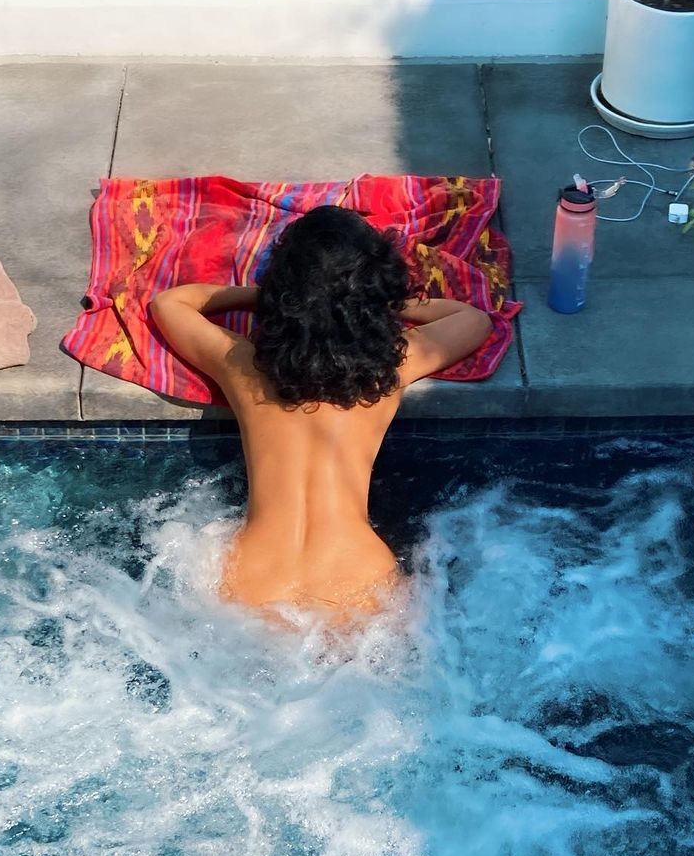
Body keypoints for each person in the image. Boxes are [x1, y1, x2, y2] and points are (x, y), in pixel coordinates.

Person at [149, 206, 492, 622]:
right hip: (360, 582)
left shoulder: (243, 366)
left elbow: (170, 303)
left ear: (283, 291)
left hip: (252, 581)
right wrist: (376, 303)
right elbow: (473, 319)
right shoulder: (390, 370)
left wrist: (267, 298)